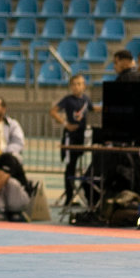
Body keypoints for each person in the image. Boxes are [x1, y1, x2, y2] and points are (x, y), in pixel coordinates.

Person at [50, 73, 94, 205]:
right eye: (74, 84)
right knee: (70, 166)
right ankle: (69, 197)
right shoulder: (68, 100)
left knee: (83, 164)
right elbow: (53, 111)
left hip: (82, 136)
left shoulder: (86, 100)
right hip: (71, 137)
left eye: (79, 84)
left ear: (84, 86)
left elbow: (93, 109)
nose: (76, 87)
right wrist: (65, 124)